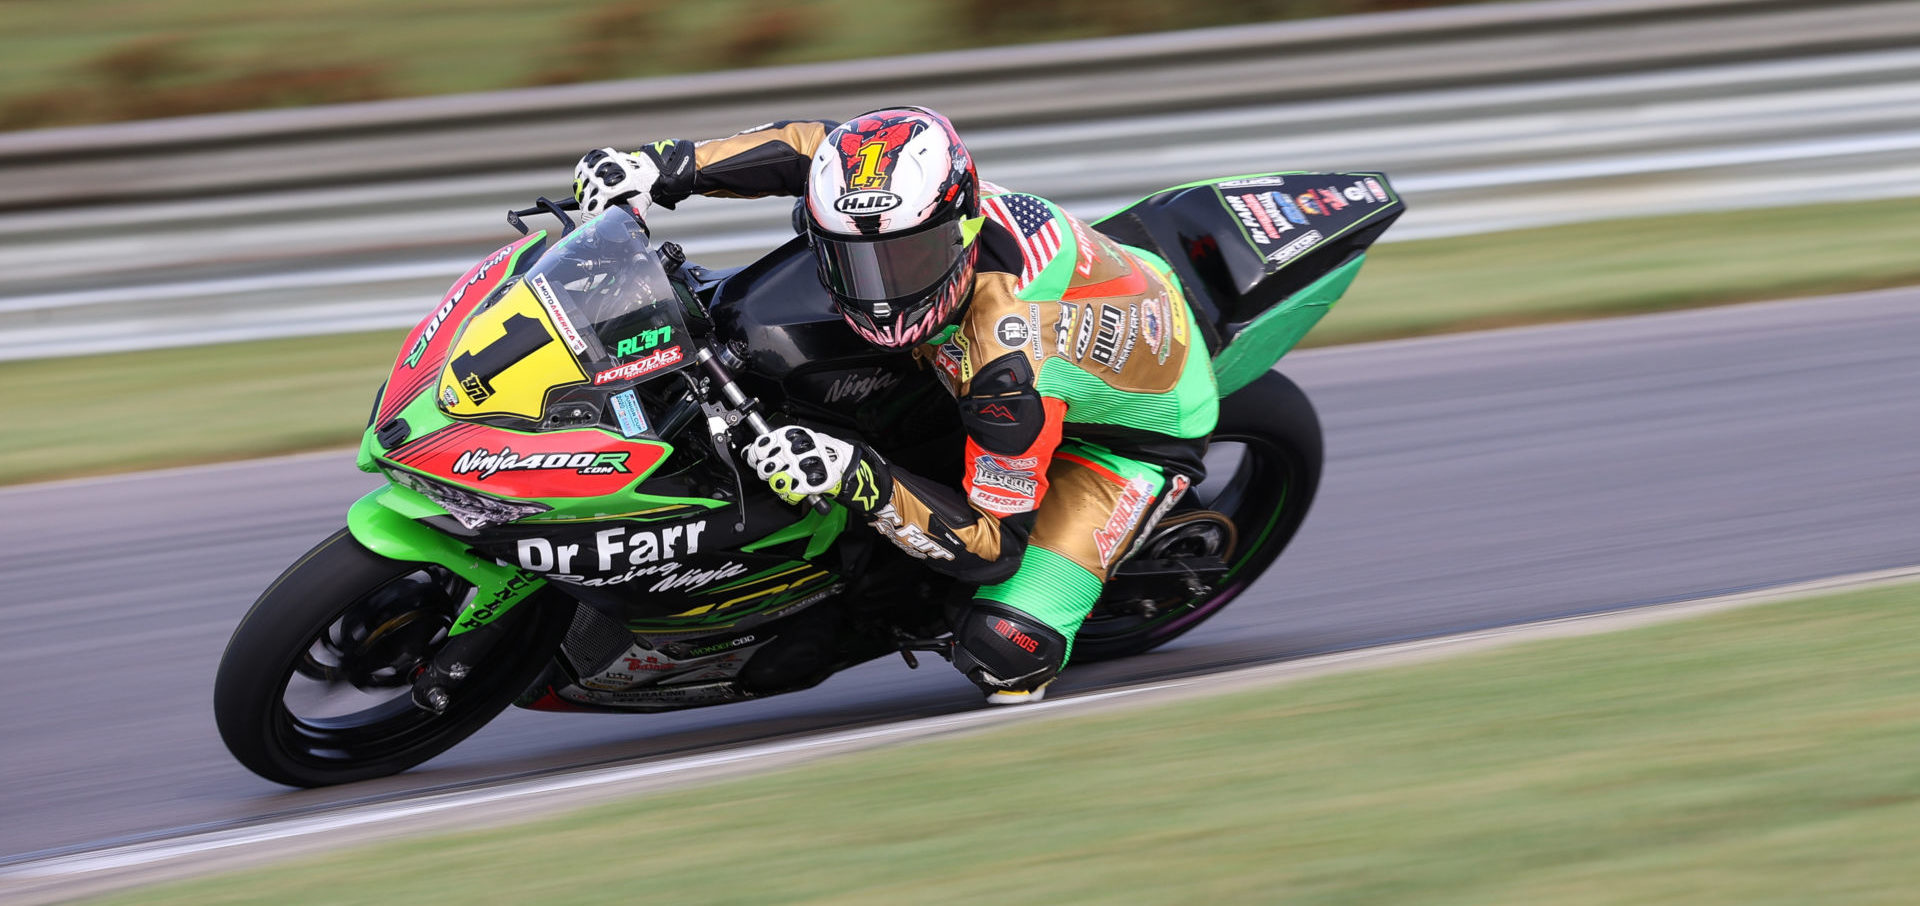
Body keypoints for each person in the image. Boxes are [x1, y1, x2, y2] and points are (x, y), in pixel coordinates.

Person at [572, 108, 1218, 704]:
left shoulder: (1007, 369)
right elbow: (810, 148)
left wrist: (856, 473)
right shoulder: (907, 193)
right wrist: (659, 167)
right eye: (856, 262)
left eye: (909, 262)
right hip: (1002, 343)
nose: (881, 294)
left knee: (1007, 654)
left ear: (960, 233)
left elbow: (993, 544)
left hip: (1120, 436)